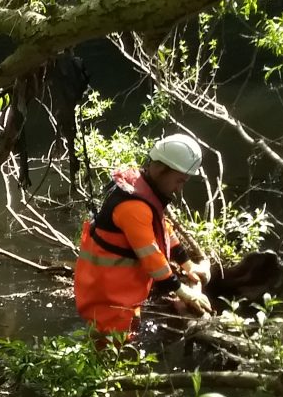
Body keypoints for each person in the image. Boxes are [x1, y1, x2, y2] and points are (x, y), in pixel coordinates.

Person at [74, 133, 214, 338]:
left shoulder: (142, 190)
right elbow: (151, 257)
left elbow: (162, 231)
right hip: (107, 298)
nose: (179, 188)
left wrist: (187, 264)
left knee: (128, 336)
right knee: (112, 350)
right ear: (159, 169)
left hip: (120, 291)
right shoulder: (133, 208)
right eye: (178, 180)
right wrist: (183, 291)